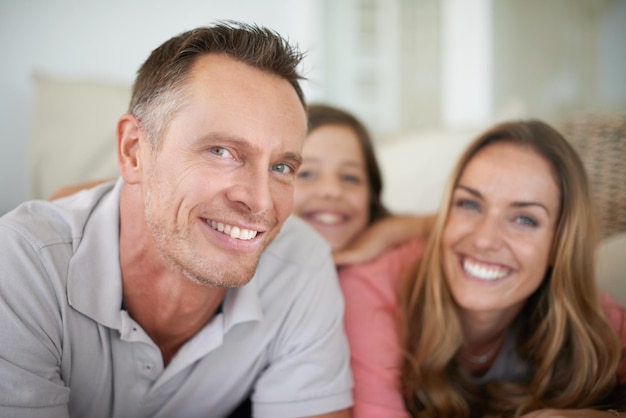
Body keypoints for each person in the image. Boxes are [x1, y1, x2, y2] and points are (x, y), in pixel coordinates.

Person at [0, 22, 353, 418]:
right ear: (133, 150)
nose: (260, 201)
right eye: (221, 151)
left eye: (282, 166)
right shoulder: (22, 262)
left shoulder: (301, 265)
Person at [398, 120, 626, 417]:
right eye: (469, 204)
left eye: (524, 220)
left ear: (560, 246)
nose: (484, 239)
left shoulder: (599, 326)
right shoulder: (386, 302)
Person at [293, 103, 428, 417]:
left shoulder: (391, 266)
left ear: (371, 196)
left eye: (351, 178)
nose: (331, 190)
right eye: (307, 173)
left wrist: (389, 232)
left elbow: (467, 230)